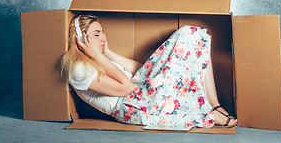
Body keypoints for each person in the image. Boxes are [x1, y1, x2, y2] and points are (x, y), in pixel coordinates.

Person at [61, 14, 238, 130]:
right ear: (80, 38)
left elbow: (141, 69)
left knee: (190, 34)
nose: (104, 38)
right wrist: (99, 57)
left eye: (103, 32)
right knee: (187, 46)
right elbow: (127, 88)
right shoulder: (79, 69)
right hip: (133, 105)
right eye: (97, 34)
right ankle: (208, 113)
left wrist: (107, 53)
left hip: (143, 90)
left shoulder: (99, 58)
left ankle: (214, 104)